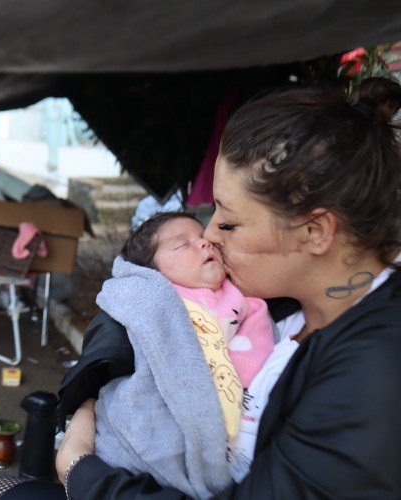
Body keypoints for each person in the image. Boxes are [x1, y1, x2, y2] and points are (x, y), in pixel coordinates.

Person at [55, 77, 401, 498]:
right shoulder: (289, 300)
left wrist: (79, 468)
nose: (211, 234)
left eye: (230, 222)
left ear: (314, 231)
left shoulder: (373, 376)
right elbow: (139, 301)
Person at [91, 212, 274, 498]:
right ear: (154, 270)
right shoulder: (157, 298)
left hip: (224, 418)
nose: (204, 244)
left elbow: (258, 342)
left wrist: (237, 373)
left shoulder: (239, 299)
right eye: (183, 244)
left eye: (203, 238)